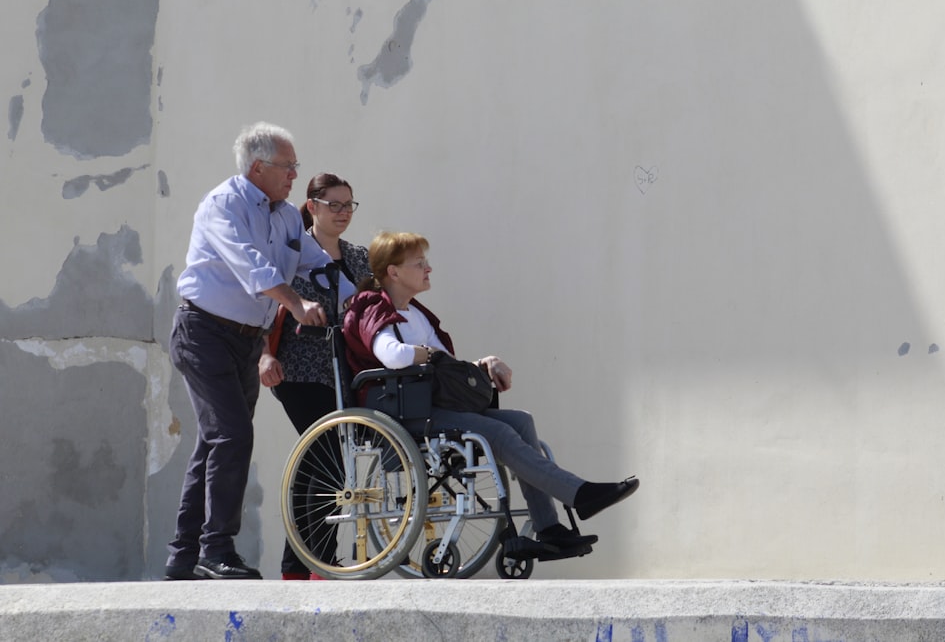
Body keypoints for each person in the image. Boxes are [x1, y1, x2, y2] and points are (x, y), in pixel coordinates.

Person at [342, 231, 639, 557]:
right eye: (419, 263)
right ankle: (579, 494)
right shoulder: (373, 308)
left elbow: (446, 366)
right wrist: (428, 354)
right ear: (394, 272)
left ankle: (549, 529)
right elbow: (393, 356)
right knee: (497, 431)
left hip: (433, 405)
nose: (429, 269)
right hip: (405, 414)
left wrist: (482, 364)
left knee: (521, 422)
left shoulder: (416, 314)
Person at [165, 122, 333, 580]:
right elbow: (250, 265)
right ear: (258, 167)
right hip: (204, 333)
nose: (295, 175)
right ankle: (215, 550)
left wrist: (373, 285)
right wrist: (296, 305)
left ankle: (183, 556)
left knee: (215, 442)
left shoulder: (286, 215)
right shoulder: (225, 204)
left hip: (245, 340)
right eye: (288, 167)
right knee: (232, 437)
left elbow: (314, 261)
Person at [258, 173, 370, 580]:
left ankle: (305, 565)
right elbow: (264, 309)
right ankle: (312, 565)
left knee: (324, 464)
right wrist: (264, 356)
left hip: (345, 372)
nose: (343, 213)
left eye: (349, 205)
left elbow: (374, 313)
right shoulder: (291, 254)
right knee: (328, 460)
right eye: (334, 205)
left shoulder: (359, 258)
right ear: (313, 206)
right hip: (299, 369)